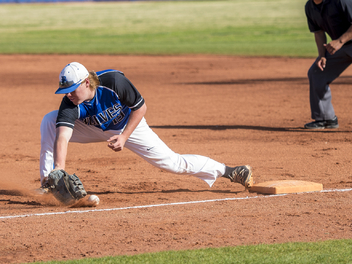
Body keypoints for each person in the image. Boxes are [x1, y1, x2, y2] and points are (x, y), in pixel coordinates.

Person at [39, 62, 254, 193]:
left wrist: (124, 137)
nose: (68, 95)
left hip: (129, 125)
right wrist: (59, 168)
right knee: (50, 121)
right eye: (66, 91)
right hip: (91, 128)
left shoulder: (114, 82)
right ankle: (50, 183)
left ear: (87, 82)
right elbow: (63, 137)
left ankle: (229, 172)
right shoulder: (70, 102)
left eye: (72, 89)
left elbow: (140, 109)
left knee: (173, 163)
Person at [303, 0, 352, 129]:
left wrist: (339, 41)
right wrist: (322, 55)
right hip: (342, 48)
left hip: (342, 43)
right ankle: (325, 118)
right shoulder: (309, 7)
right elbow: (318, 33)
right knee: (317, 72)